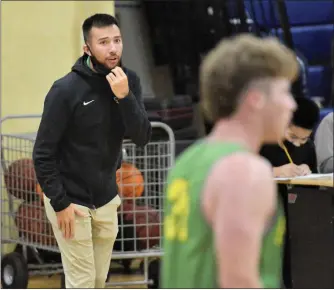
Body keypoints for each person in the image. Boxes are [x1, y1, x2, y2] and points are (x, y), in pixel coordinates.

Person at [162, 34, 298, 288]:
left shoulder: (189, 161)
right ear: (255, 99)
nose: (291, 104)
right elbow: (237, 281)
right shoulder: (245, 171)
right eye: (285, 92)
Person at [33, 14, 151, 288]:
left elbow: (142, 136)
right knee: (82, 281)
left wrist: (125, 96)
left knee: (98, 279)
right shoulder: (65, 90)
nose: (113, 49)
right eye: (104, 42)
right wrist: (59, 203)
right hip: (70, 201)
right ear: (87, 48)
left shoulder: (128, 81)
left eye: (117, 40)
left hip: (107, 198)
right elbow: (42, 153)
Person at [260, 97, 320, 289]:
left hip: (295, 218)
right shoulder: (261, 141)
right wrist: (275, 171)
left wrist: (306, 171)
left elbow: (314, 178)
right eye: (293, 137)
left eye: (304, 139)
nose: (298, 144)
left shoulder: (307, 148)